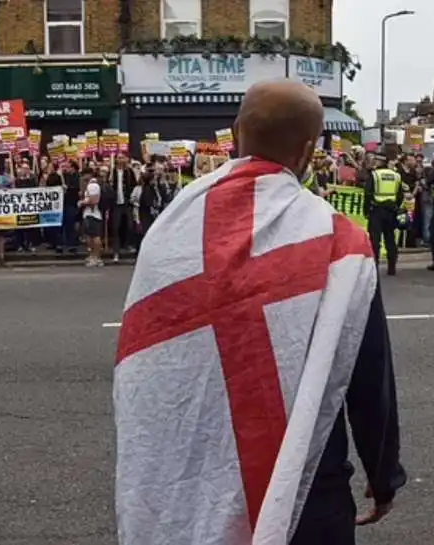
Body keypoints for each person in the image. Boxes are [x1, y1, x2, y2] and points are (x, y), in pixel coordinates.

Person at [114, 80, 405, 545]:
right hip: (305, 489)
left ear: (234, 133)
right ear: (310, 150)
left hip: (196, 475)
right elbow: (369, 375)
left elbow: (151, 366)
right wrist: (384, 474)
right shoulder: (337, 240)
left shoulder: (172, 223)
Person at [363, 151, 403, 275]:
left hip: (377, 210)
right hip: (391, 211)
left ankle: (374, 266)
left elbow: (368, 194)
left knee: (375, 241)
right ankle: (392, 267)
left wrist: (366, 210)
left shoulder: (374, 175)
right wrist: (395, 206)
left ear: (379, 161)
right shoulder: (396, 175)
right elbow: (400, 195)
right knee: (390, 239)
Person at [78, 168, 103, 267]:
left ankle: (96, 257)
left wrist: (82, 202)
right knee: (89, 236)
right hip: (89, 214)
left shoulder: (93, 185)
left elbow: (94, 200)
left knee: (95, 237)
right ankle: (93, 256)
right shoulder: (89, 185)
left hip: (93, 214)